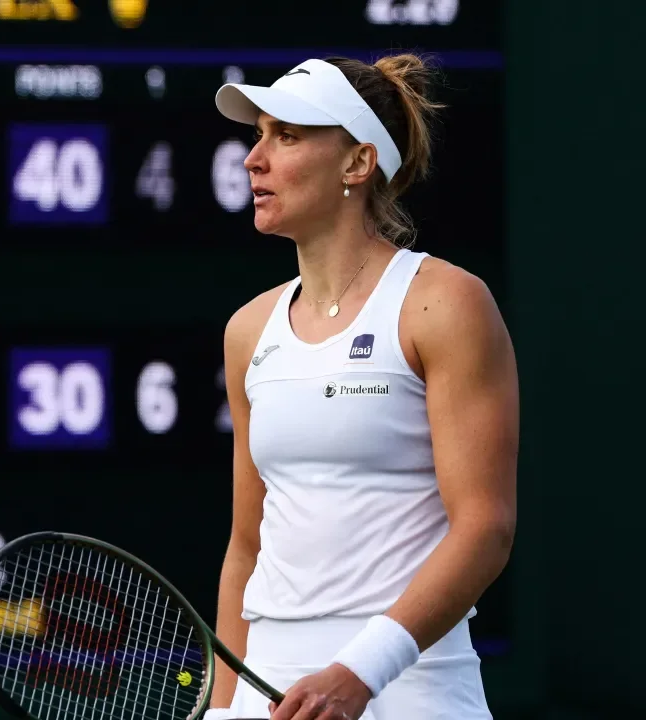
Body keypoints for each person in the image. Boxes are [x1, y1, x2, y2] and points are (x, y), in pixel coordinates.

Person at [203, 54, 519, 720]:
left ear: (358, 163)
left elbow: (485, 527)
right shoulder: (248, 331)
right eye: (257, 135)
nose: (253, 159)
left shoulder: (447, 304)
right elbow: (246, 545)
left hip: (412, 687)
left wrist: (359, 672)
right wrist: (221, 708)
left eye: (285, 136)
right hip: (269, 681)